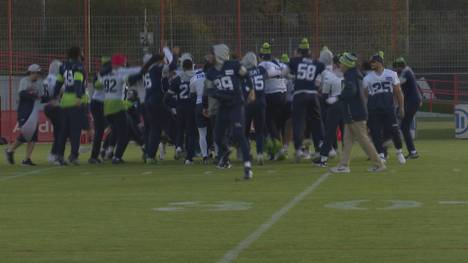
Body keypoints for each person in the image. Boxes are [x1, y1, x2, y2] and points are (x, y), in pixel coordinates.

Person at [330, 52, 386, 173]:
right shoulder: (353, 74)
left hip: (354, 113)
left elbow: (351, 91)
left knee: (363, 140)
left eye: (341, 63)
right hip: (353, 113)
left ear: (346, 64)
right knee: (348, 141)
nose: (339, 65)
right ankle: (344, 165)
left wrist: (337, 97)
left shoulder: (351, 76)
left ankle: (379, 163)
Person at [205, 44, 254, 180]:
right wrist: (218, 94)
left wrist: (251, 90)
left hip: (236, 104)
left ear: (219, 55)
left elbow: (247, 75)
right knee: (217, 137)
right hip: (224, 106)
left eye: (212, 53)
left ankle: (247, 167)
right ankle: (225, 151)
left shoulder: (233, 65)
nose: (210, 56)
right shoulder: (210, 72)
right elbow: (208, 90)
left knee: (239, 134)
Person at [129, 47, 179, 164]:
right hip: (158, 100)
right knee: (172, 124)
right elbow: (172, 66)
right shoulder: (157, 68)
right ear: (160, 61)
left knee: (154, 129)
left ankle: (150, 155)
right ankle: (179, 147)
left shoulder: (146, 70)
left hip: (148, 102)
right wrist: (175, 55)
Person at [287, 38, 325, 163]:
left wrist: (294, 77)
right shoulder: (316, 63)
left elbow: (284, 73)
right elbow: (320, 79)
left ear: (299, 52)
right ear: (309, 51)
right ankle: (320, 146)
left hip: (299, 94)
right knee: (316, 121)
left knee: (299, 123)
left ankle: (298, 148)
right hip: (313, 94)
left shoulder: (294, 61)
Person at [97, 54, 141, 164]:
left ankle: (107, 150)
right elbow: (130, 79)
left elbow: (98, 85)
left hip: (106, 106)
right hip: (117, 106)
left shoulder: (105, 74)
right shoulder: (120, 74)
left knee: (115, 129)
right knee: (125, 131)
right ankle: (115, 154)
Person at [364, 52, 406, 164]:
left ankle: (399, 152)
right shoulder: (367, 77)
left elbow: (398, 92)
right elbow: (365, 95)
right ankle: (381, 155)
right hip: (374, 110)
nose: (371, 64)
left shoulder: (391, 74)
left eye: (373, 62)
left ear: (379, 62)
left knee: (394, 131)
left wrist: (401, 107)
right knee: (376, 133)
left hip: (388, 108)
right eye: (371, 62)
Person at [53, 46, 87, 165]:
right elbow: (78, 82)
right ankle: (73, 156)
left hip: (64, 101)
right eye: (82, 51)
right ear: (78, 54)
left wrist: (54, 96)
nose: (83, 53)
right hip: (74, 101)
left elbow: (58, 83)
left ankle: (59, 156)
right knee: (75, 131)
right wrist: (78, 97)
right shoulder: (79, 66)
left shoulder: (63, 66)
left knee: (64, 131)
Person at [4, 64, 43, 165]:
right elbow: (22, 94)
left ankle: (27, 159)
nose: (38, 75)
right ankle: (10, 150)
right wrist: (34, 95)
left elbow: (41, 96)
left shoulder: (39, 83)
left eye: (39, 73)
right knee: (26, 134)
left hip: (34, 112)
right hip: (24, 111)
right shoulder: (24, 81)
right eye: (36, 73)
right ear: (31, 72)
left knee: (33, 136)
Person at [313, 48, 344, 167]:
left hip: (334, 107)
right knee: (350, 133)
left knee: (330, 132)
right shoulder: (349, 76)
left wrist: (330, 101)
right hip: (346, 106)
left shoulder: (329, 75)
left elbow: (324, 95)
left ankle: (324, 158)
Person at [165, 53, 197, 165]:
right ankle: (189, 158)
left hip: (179, 107)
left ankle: (178, 146)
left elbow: (167, 97)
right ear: (192, 65)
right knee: (191, 133)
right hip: (191, 107)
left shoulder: (177, 79)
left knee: (180, 129)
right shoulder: (196, 76)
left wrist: (171, 108)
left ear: (182, 67)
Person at [258, 42, 288, 160]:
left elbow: (264, 75)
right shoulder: (280, 63)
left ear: (261, 55)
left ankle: (276, 150)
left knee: (269, 123)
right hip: (283, 94)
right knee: (277, 124)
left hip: (271, 95)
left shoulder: (263, 64)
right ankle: (278, 149)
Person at [241, 51, 268, 165]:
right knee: (259, 130)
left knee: (245, 130)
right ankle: (260, 154)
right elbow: (265, 77)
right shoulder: (262, 70)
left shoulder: (244, 72)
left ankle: (247, 153)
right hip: (261, 101)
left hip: (248, 102)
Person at [393, 57, 421, 159]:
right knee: (404, 126)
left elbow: (397, 84)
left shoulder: (406, 72)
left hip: (411, 102)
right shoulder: (407, 70)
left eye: (396, 68)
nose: (395, 70)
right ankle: (412, 151)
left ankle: (413, 152)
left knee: (404, 127)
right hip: (411, 101)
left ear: (400, 66)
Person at [89, 56, 112, 164]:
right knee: (100, 130)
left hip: (98, 103)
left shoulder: (99, 73)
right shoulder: (107, 74)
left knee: (104, 128)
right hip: (99, 103)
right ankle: (94, 155)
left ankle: (100, 152)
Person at [190, 56, 212, 164]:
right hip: (212, 104)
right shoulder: (213, 75)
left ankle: (204, 156)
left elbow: (192, 93)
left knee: (202, 133)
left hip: (198, 105)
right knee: (215, 131)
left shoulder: (196, 76)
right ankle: (217, 154)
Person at [43, 60, 63, 164]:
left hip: (47, 107)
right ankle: (56, 155)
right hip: (56, 106)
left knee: (57, 131)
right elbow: (61, 90)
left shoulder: (46, 79)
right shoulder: (57, 79)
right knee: (61, 132)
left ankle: (53, 154)